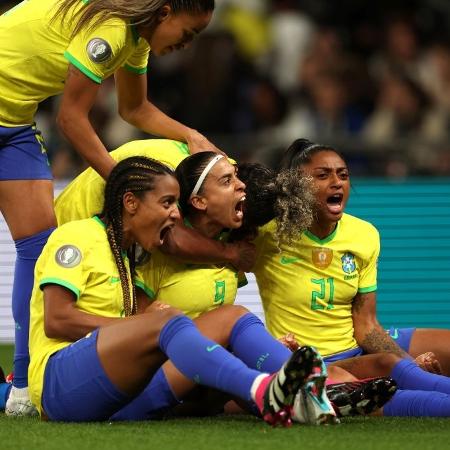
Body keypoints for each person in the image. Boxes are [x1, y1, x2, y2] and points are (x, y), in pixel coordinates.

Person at [0, 0, 220, 415]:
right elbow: (71, 119)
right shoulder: (112, 30)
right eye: (188, 34)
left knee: (39, 246)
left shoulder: (135, 40)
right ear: (166, 13)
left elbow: (133, 109)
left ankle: (23, 385)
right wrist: (124, 183)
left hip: (12, 126)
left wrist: (191, 135)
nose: (186, 46)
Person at [0, 156, 328, 425]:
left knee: (231, 317)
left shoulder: (130, 257)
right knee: (167, 322)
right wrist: (146, 326)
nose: (175, 213)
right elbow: (56, 320)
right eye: (167, 202)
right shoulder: (77, 237)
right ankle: (262, 390)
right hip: (61, 389)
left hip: (118, 397)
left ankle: (307, 393)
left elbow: (128, 337)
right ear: (131, 203)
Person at [252, 138, 450, 416]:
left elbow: (367, 326)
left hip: (355, 347)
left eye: (342, 175)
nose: (337, 182)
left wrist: (409, 362)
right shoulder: (269, 235)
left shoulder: (363, 234)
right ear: (297, 186)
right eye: (323, 175)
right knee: (392, 388)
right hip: (317, 362)